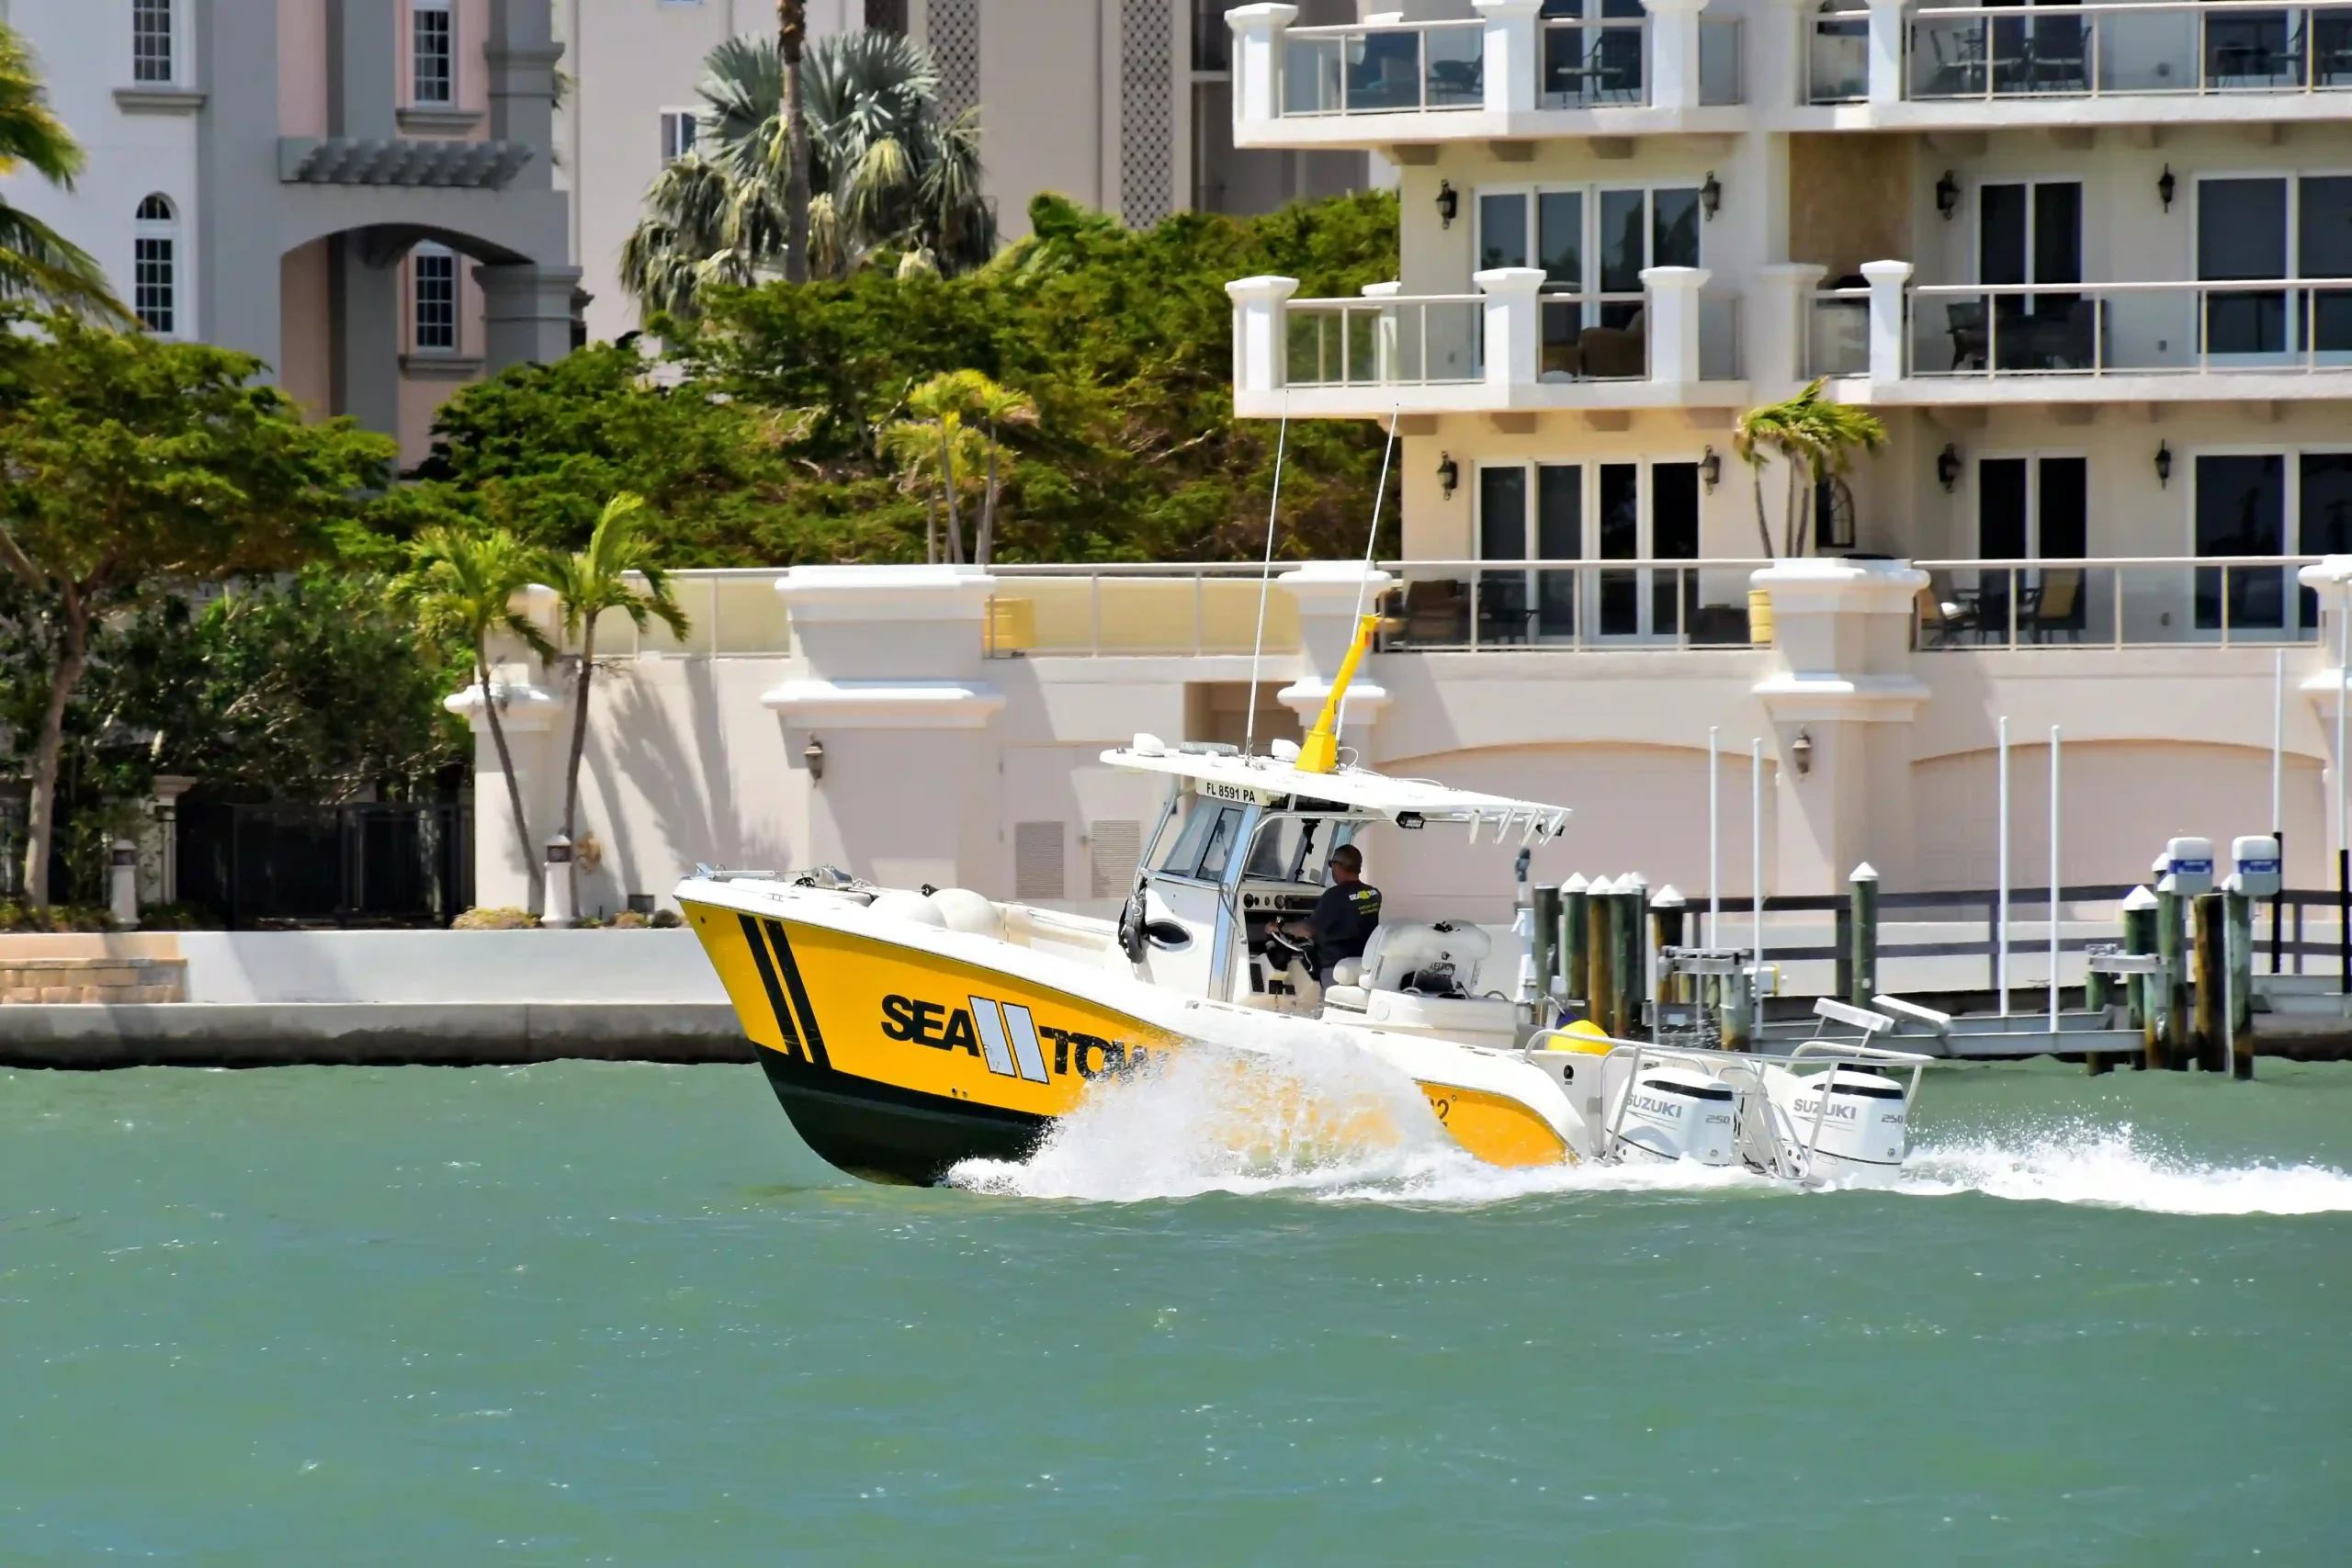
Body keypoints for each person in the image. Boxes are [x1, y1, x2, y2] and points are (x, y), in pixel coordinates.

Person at [1291, 843, 1381, 986]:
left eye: (1331, 863)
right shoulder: (1374, 894)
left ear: (1338, 866)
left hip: (1334, 968)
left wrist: (1280, 927)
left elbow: (1307, 929)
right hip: (1361, 965)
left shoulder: (1334, 896)